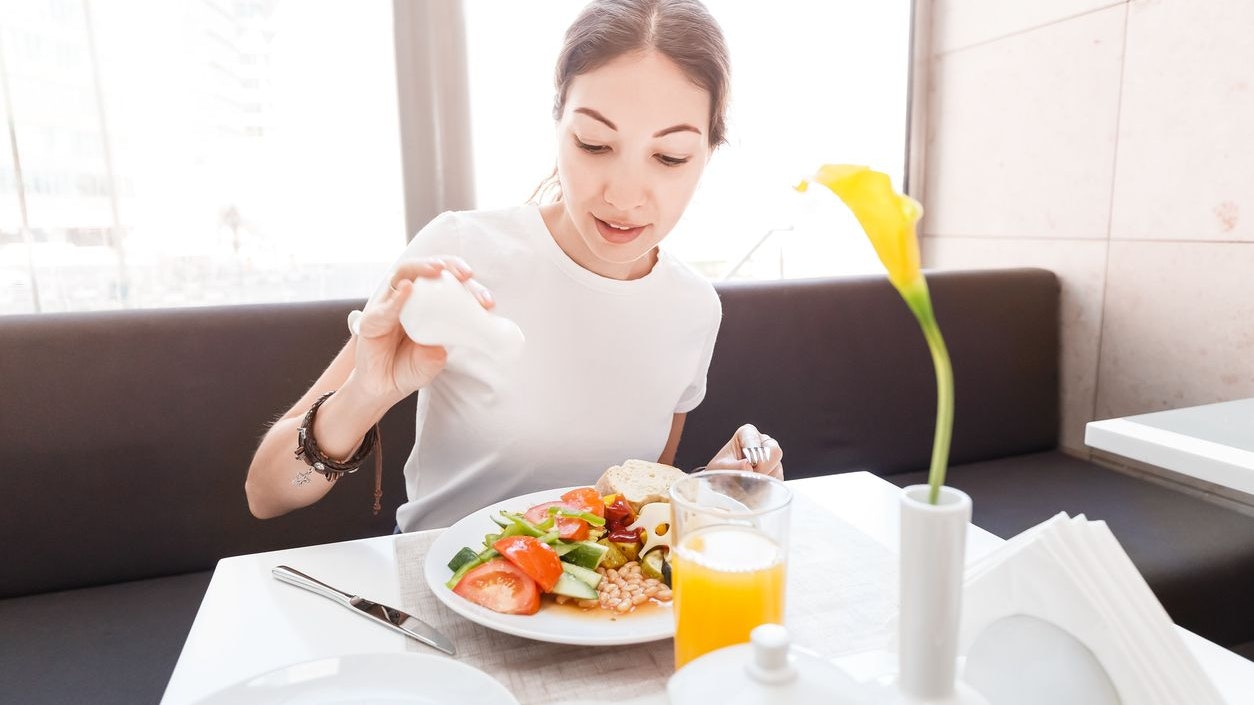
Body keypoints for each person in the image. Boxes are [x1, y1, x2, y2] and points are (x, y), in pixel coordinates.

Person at [245, 0, 783, 532]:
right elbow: (266, 494)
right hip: (440, 597)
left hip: (594, 616)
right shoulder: (462, 253)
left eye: (669, 157)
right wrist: (367, 391)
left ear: (709, 151)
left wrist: (707, 491)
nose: (623, 196)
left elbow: (631, 513)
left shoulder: (692, 307)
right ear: (558, 125)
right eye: (594, 144)